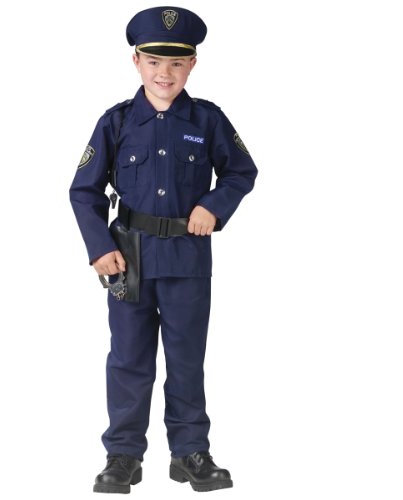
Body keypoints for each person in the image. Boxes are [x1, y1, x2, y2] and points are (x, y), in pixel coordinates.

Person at [69, 6, 258, 494]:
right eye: (154, 61)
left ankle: (190, 452)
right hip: (127, 261)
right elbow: (84, 191)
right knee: (128, 360)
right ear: (136, 62)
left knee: (186, 359)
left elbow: (241, 171)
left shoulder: (207, 120)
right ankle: (123, 456)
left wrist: (214, 206)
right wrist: (99, 248)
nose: (164, 73)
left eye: (176, 62)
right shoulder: (116, 122)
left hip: (187, 261)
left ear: (192, 64)